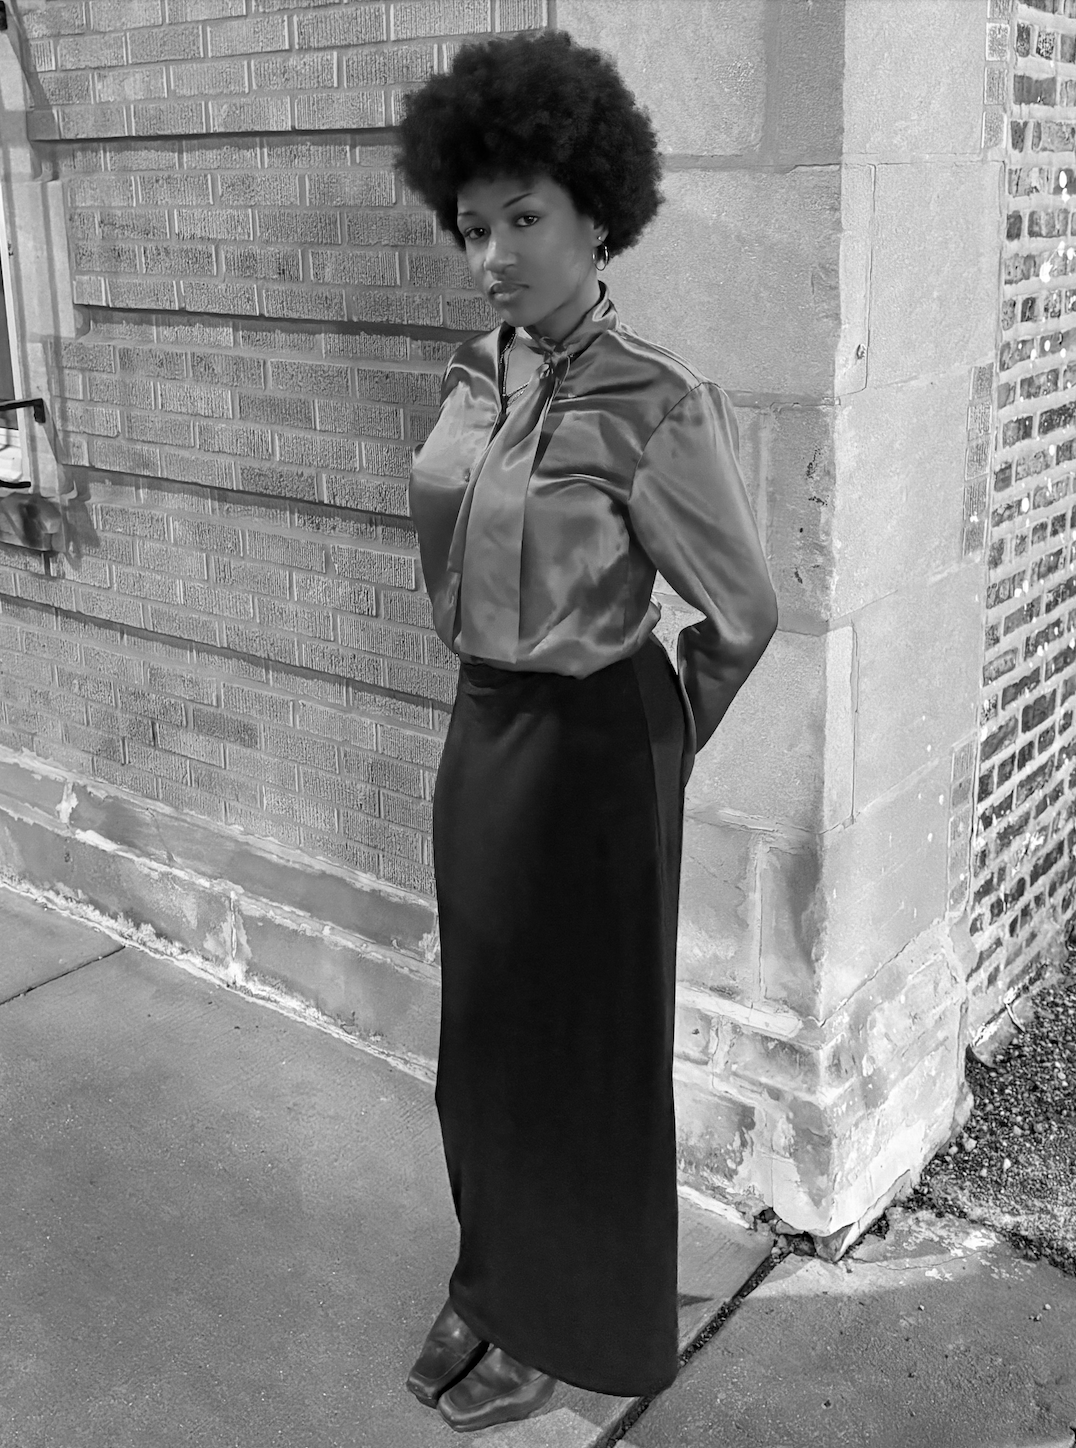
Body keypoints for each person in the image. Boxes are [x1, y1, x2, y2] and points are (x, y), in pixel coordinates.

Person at [395, 28, 779, 1434]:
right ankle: (493, 1278)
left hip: (600, 751)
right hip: (481, 735)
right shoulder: (471, 370)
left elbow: (740, 612)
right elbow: (453, 538)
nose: (494, 253)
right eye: (475, 225)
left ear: (598, 215)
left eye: (526, 220)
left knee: (577, 1057)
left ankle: (561, 1320)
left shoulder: (652, 401)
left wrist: (660, 741)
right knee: (482, 1036)